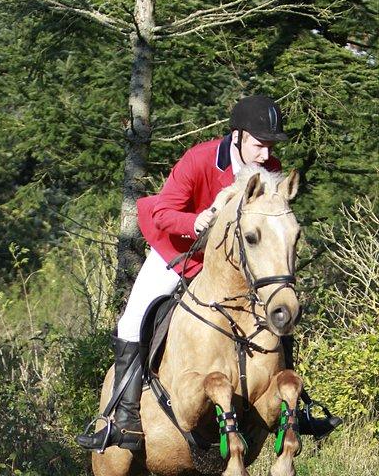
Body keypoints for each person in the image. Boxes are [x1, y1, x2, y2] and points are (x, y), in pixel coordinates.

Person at [78, 95, 340, 451]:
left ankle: (299, 406)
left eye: (270, 147)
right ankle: (121, 418)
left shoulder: (269, 169)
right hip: (179, 251)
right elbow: (163, 214)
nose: (266, 156)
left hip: (230, 266)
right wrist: (194, 221)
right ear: (237, 136)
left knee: (278, 311)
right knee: (131, 320)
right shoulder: (200, 159)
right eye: (260, 145)